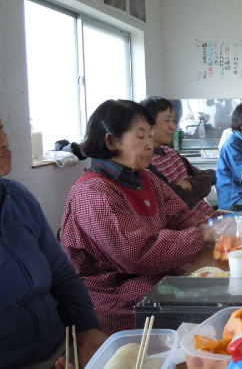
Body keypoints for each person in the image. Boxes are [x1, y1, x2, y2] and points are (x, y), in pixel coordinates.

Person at [60, 100, 219, 335]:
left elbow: (179, 215)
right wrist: (201, 236)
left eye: (150, 136)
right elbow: (138, 254)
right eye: (141, 136)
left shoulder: (145, 178)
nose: (150, 144)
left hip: (154, 280)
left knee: (216, 291)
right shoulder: (92, 192)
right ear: (111, 141)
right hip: (116, 300)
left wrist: (212, 228)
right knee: (210, 310)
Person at [0, 117, 107, 369]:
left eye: (1, 128)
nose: (4, 141)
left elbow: (61, 275)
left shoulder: (18, 198)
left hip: (63, 350)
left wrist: (86, 329)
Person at [140, 96, 216, 213]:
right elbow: (173, 198)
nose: (173, 126)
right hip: (193, 221)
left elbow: (206, 178)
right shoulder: (145, 161)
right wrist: (196, 188)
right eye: (167, 120)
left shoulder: (171, 153)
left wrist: (188, 184)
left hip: (208, 215)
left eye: (174, 120)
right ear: (148, 123)